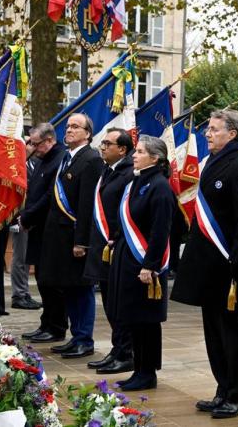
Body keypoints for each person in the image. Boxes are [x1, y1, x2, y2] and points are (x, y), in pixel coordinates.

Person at [171, 109, 238, 419]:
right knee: (213, 333)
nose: (207, 134)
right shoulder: (213, 163)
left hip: (226, 266)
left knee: (231, 334)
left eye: (214, 129)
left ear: (232, 133)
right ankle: (222, 389)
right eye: (207, 129)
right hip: (208, 264)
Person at [105, 135, 175, 391]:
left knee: (146, 320)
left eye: (140, 152)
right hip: (127, 257)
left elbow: (160, 229)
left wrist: (151, 265)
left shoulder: (159, 185)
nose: (134, 155)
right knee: (132, 316)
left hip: (144, 263)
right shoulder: (137, 181)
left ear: (155, 158)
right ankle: (139, 369)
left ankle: (147, 372)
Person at [38, 113, 103, 359]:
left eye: (76, 127)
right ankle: (76, 336)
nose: (69, 130)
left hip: (75, 237)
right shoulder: (68, 158)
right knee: (69, 288)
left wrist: (82, 241)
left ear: (87, 133)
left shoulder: (91, 159)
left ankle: (84, 339)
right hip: (59, 237)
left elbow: (87, 205)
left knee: (81, 288)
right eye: (67, 126)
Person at [84, 128, 135, 375]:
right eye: (102, 143)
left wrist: (115, 237)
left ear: (122, 149)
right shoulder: (108, 170)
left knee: (120, 305)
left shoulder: (128, 174)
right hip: (101, 248)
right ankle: (117, 350)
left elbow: (124, 212)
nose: (102, 147)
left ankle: (126, 352)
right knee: (109, 304)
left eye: (107, 143)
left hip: (116, 246)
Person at [19, 123, 67, 343]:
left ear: (49, 140)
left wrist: (28, 217)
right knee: (42, 279)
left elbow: (49, 195)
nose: (33, 147)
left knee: (51, 281)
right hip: (39, 228)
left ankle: (56, 326)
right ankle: (46, 322)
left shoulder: (60, 159)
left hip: (50, 228)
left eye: (36, 143)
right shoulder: (41, 159)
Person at [9, 136, 42, 310]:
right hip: (19, 219)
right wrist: (14, 218)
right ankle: (18, 295)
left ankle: (25, 292)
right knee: (20, 258)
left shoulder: (33, 164)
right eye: (29, 144)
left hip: (30, 217)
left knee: (27, 258)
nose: (33, 147)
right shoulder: (16, 167)